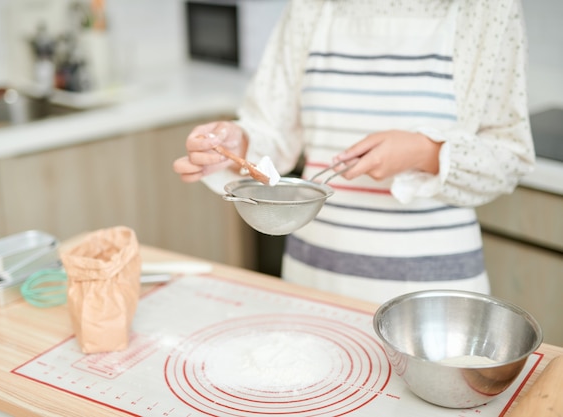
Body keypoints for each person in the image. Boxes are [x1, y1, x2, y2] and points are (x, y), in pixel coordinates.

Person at [173, 0, 535, 304]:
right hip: (315, 277)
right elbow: (270, 130)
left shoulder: (487, 7)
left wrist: (425, 151)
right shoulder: (312, 6)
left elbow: (509, 155)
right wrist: (239, 144)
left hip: (434, 291)